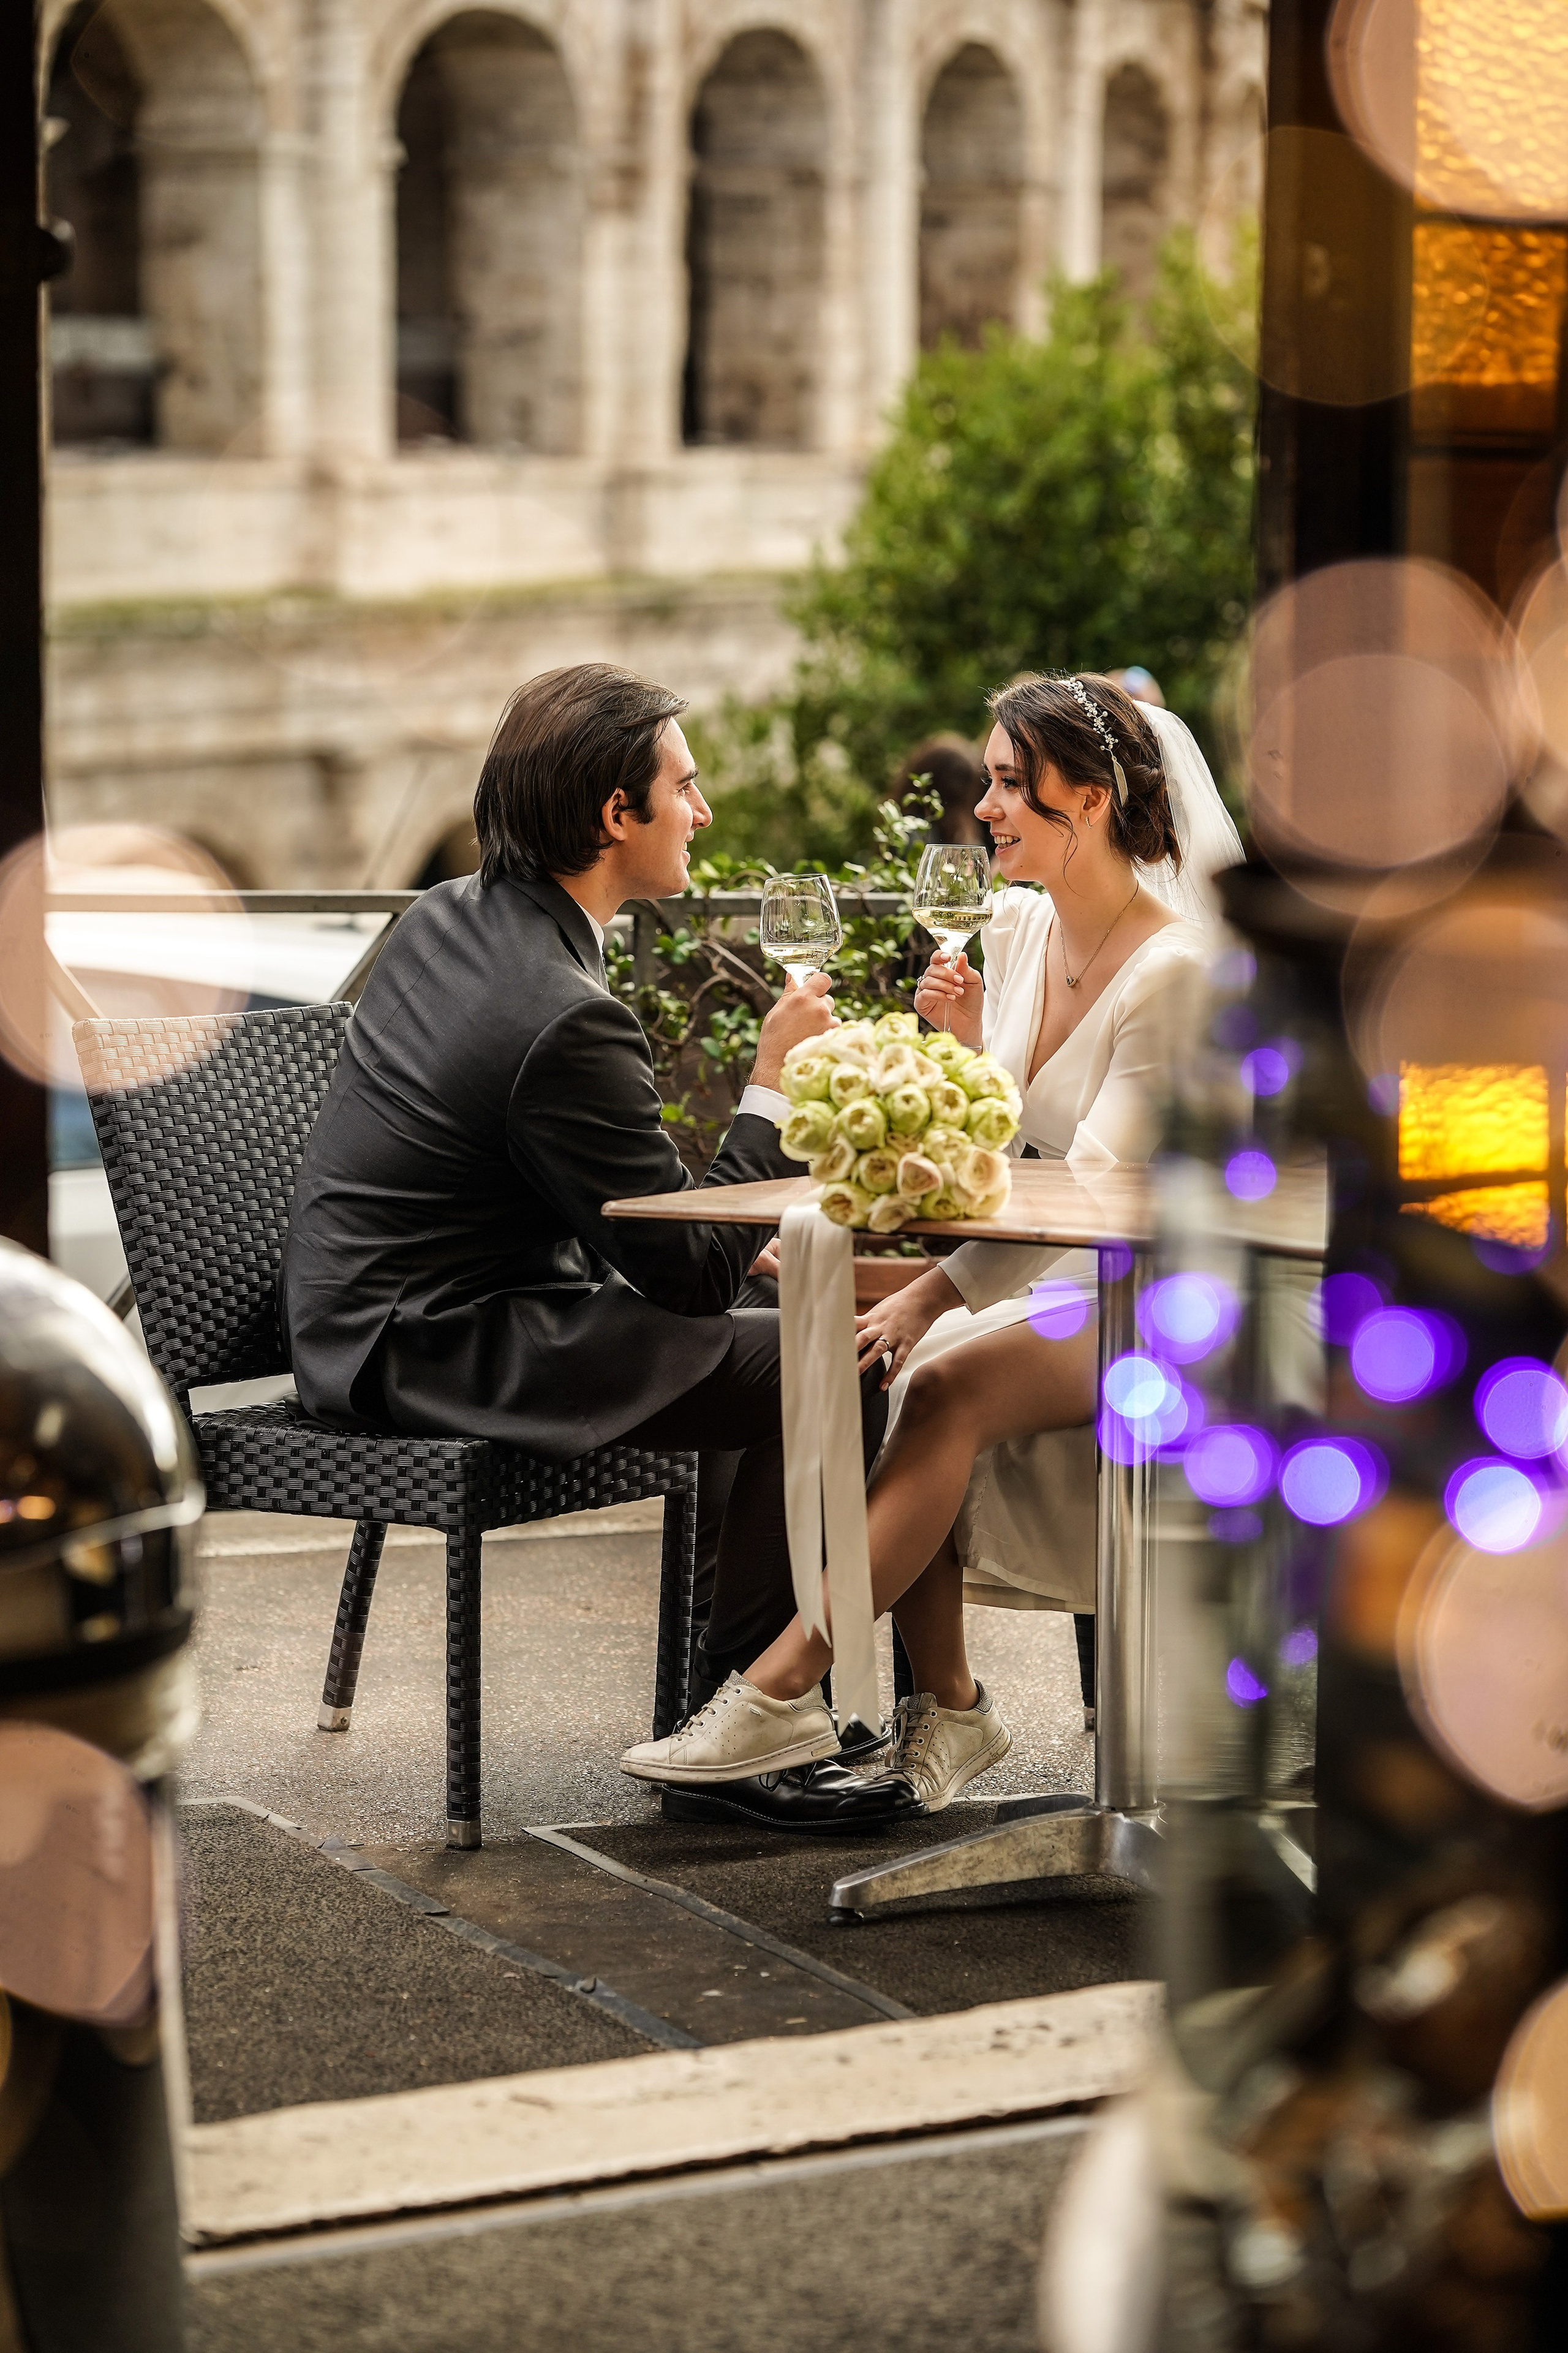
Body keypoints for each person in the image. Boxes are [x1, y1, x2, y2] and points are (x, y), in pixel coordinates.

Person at [282, 662, 905, 1832]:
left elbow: (582, 1202)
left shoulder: (450, 916)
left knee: (769, 1331)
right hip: (439, 1347)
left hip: (366, 1321)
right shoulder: (563, 1011)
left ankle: (729, 1702)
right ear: (614, 815)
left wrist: (728, 1248)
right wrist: (772, 1082)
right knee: (831, 1359)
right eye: (685, 785)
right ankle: (753, 1731)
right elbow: (687, 1269)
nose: (704, 812)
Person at [622, 673, 1242, 1813]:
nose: (988, 805)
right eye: (994, 780)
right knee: (821, 1307)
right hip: (1041, 1266)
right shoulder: (1013, 926)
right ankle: (948, 1708)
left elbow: (1093, 1196)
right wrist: (953, 1049)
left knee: (939, 1376)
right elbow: (988, 1154)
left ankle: (779, 1693)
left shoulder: (1179, 975)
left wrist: (924, 1297)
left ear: (1092, 801)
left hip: (1159, 1288)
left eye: (1014, 784)